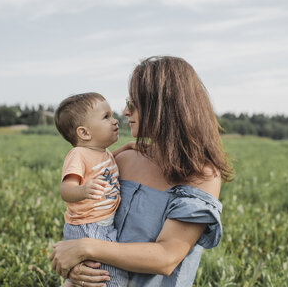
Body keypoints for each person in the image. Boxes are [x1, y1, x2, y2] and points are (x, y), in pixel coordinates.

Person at [50, 56, 233, 287]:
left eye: (134, 103)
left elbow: (166, 257)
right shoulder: (124, 159)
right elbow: (91, 219)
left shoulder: (201, 175)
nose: (125, 111)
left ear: (162, 106)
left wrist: (85, 248)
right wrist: (79, 268)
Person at [54, 92, 130, 287]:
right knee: (111, 279)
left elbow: (105, 162)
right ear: (84, 133)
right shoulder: (78, 154)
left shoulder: (102, 153)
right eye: (106, 117)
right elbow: (65, 189)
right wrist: (83, 191)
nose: (115, 121)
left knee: (85, 279)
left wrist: (127, 147)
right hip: (89, 227)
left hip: (101, 225)